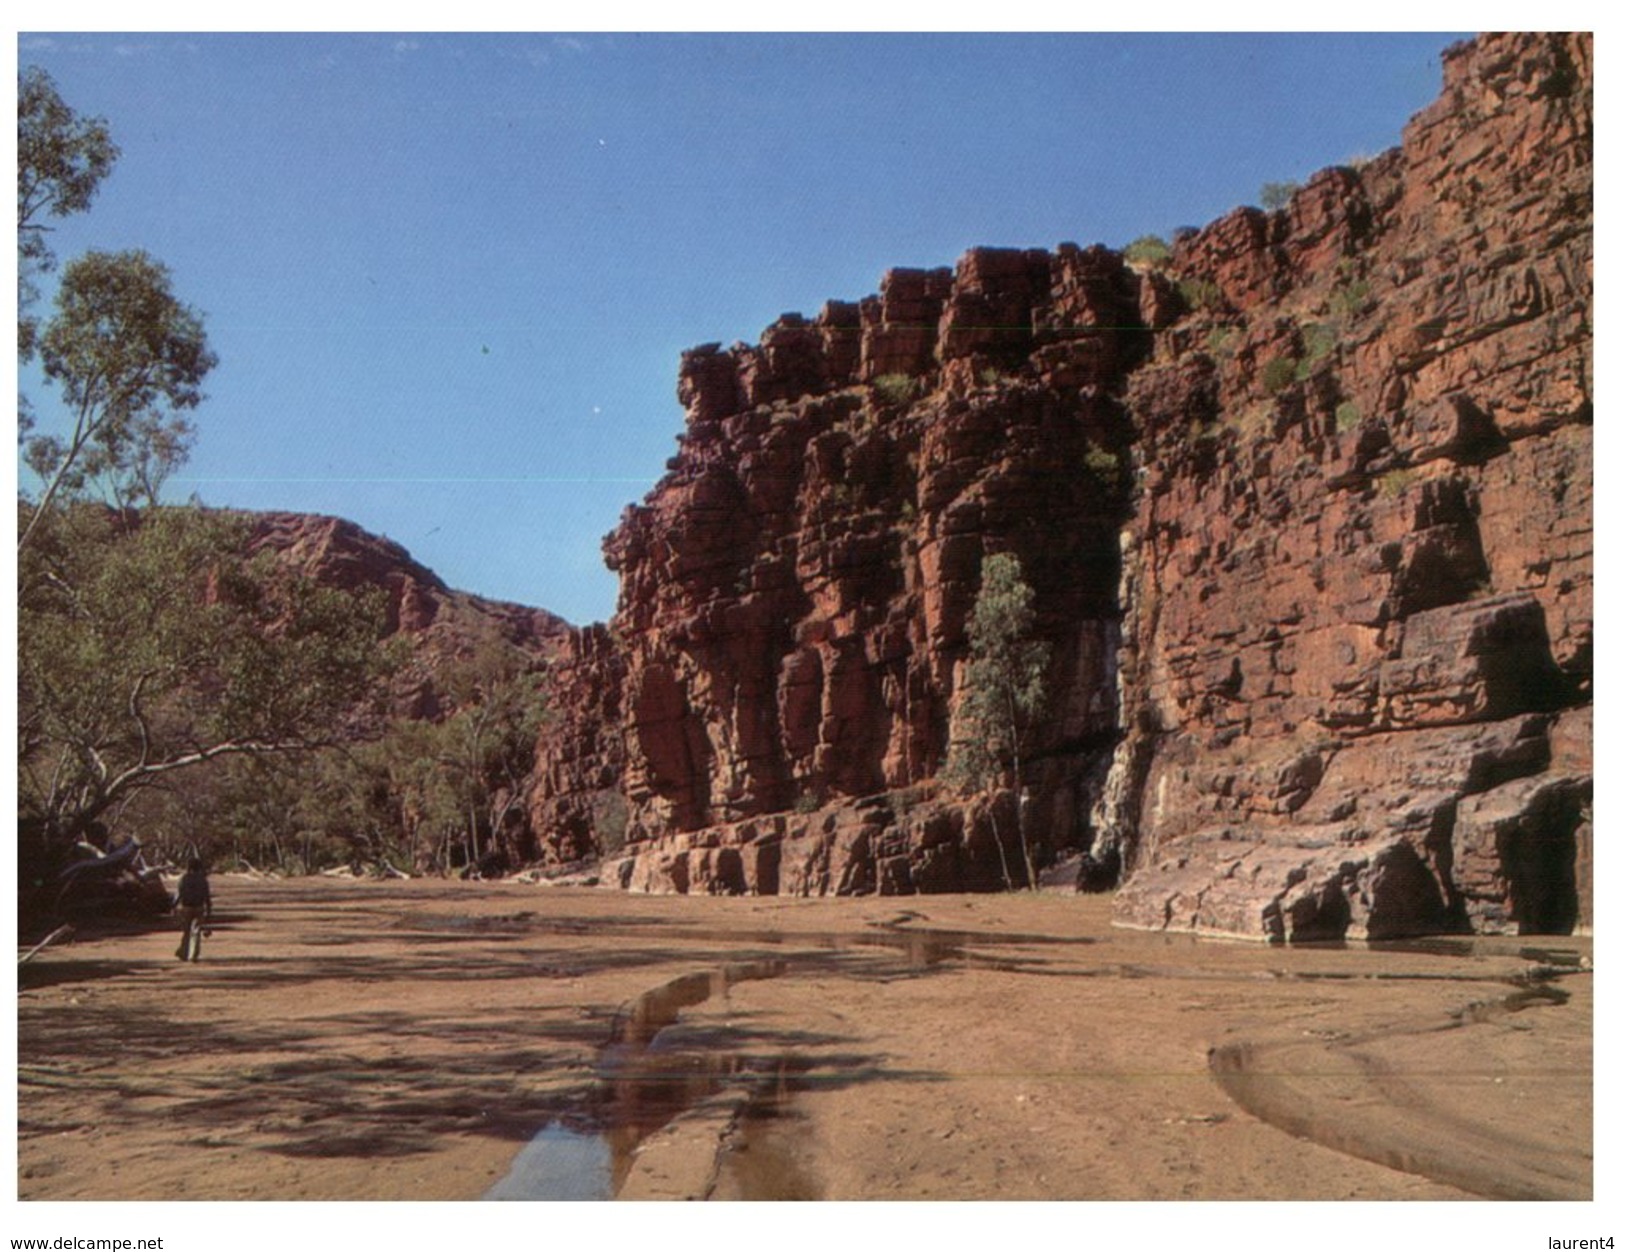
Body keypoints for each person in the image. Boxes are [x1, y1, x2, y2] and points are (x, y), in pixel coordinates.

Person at [174, 858, 212, 962]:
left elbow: (179, 893)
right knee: (196, 931)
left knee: (186, 931)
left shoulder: (184, 878)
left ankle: (184, 952)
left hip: (186, 907)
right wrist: (209, 910)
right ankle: (193, 954)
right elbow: (207, 896)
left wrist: (174, 906)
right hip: (199, 907)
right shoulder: (203, 880)